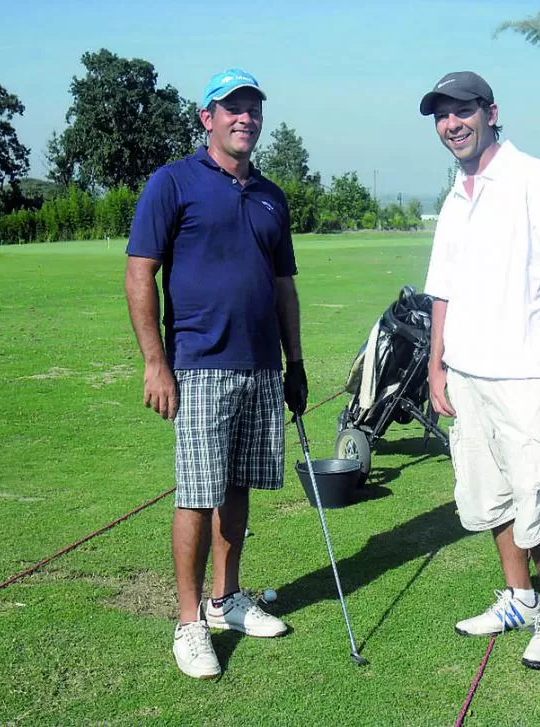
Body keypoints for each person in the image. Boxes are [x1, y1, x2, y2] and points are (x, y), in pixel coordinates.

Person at [124, 68, 308, 680]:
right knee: (197, 494)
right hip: (199, 366)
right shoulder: (172, 182)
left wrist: (296, 364)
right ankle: (189, 622)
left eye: (253, 107)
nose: (244, 117)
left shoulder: (271, 196)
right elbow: (139, 273)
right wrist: (156, 363)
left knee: (237, 489)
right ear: (207, 118)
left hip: (261, 367)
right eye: (232, 108)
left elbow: (284, 287)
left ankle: (226, 599)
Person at [419, 71, 540, 670]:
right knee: (490, 497)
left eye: (461, 111)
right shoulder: (455, 195)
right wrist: (437, 366)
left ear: (491, 112)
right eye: (441, 116)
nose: (451, 124)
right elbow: (441, 290)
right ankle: (518, 597)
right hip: (466, 375)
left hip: (524, 375)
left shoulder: (532, 178)